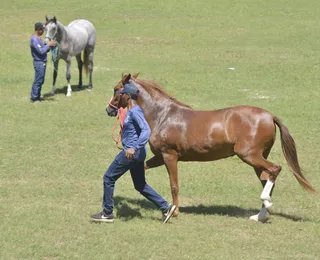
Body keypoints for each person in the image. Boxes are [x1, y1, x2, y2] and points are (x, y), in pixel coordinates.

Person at [91, 83, 176, 223]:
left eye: (122, 95)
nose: (120, 98)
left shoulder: (135, 112)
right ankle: (165, 207)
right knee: (140, 185)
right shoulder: (132, 111)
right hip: (138, 153)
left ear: (128, 96)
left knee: (108, 178)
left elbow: (146, 130)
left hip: (132, 152)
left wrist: (133, 147)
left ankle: (107, 213)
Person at [29, 22, 56, 102]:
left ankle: (37, 96)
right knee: (38, 80)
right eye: (42, 30)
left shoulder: (39, 39)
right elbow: (41, 51)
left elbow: (44, 50)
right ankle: (34, 98)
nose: (43, 31)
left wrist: (51, 46)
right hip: (39, 62)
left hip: (42, 62)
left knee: (41, 80)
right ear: (38, 30)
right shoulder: (34, 40)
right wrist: (49, 45)